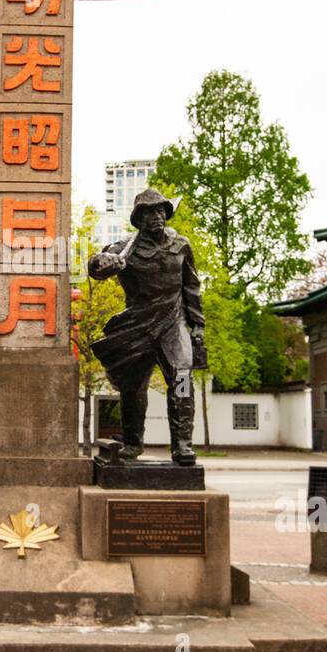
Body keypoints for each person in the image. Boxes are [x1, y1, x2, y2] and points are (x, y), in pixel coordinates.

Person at [88, 188, 206, 464]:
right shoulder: (126, 249)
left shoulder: (181, 245)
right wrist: (103, 262)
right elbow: (96, 266)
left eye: (160, 210)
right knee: (133, 387)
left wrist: (197, 325)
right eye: (149, 212)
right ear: (138, 218)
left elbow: (192, 286)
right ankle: (132, 443)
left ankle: (183, 445)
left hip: (173, 322)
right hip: (138, 323)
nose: (157, 216)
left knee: (181, 380)